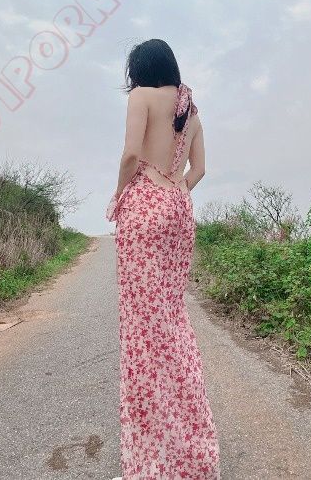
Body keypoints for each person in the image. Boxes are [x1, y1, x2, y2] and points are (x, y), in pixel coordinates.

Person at [107, 39, 221, 480]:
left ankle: (152, 462)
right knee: (172, 322)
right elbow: (199, 170)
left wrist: (121, 195)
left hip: (144, 207)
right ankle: (192, 453)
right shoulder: (191, 111)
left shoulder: (142, 96)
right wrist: (173, 194)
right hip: (179, 209)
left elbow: (131, 155)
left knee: (142, 331)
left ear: (141, 69)